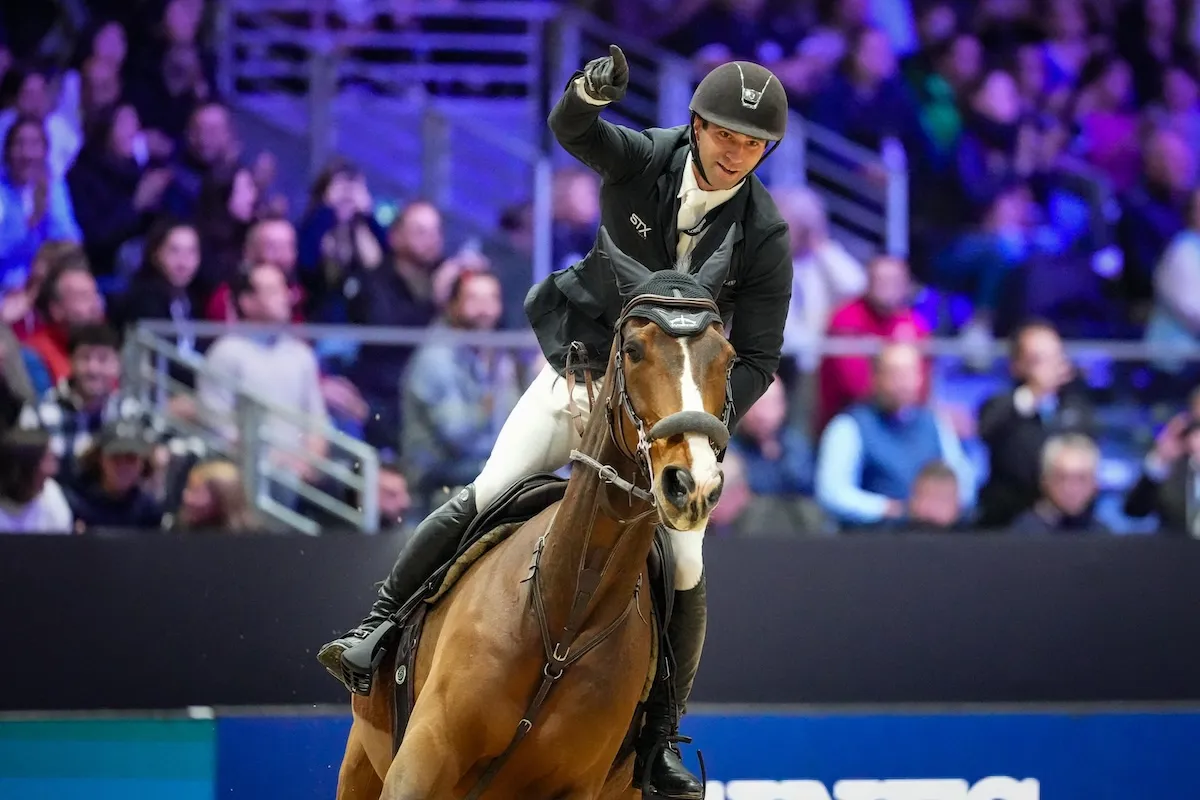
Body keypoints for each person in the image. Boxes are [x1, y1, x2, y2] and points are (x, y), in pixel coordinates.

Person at [317, 45, 792, 799]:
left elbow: (760, 356)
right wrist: (586, 94)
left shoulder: (764, 235)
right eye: (727, 135)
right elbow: (579, 134)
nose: (738, 153)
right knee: (486, 491)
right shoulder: (645, 161)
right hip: (582, 372)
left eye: (755, 143)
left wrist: (700, 422)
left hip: (668, 413)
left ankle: (660, 738)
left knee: (688, 563)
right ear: (696, 125)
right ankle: (376, 631)